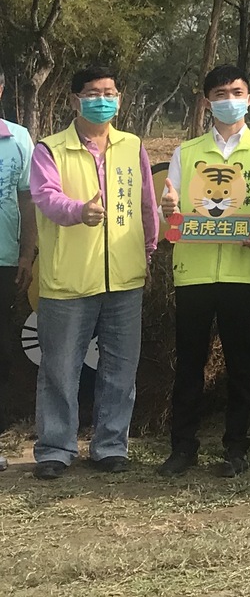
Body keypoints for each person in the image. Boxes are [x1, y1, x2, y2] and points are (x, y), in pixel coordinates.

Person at [157, 66, 250, 478]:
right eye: (219, 93)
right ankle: (183, 447)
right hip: (193, 271)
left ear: (249, 99)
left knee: (240, 362)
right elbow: (174, 206)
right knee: (191, 362)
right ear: (206, 101)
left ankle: (236, 448)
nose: (228, 100)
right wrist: (169, 209)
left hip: (242, 271)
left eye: (236, 92)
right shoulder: (187, 152)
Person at [28, 64, 158, 479]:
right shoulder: (50, 149)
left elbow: (145, 204)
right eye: (93, 93)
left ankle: (109, 445)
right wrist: (78, 211)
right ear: (74, 100)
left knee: (120, 368)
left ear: (119, 98)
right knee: (59, 370)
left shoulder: (132, 145)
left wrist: (149, 252)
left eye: (110, 92)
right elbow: (45, 197)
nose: (102, 100)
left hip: (124, 278)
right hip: (68, 280)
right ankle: (54, 448)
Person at [0, 65, 35, 471]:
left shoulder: (19, 138)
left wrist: (28, 254)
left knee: (0, 349)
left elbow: (28, 201)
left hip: (5, 260)